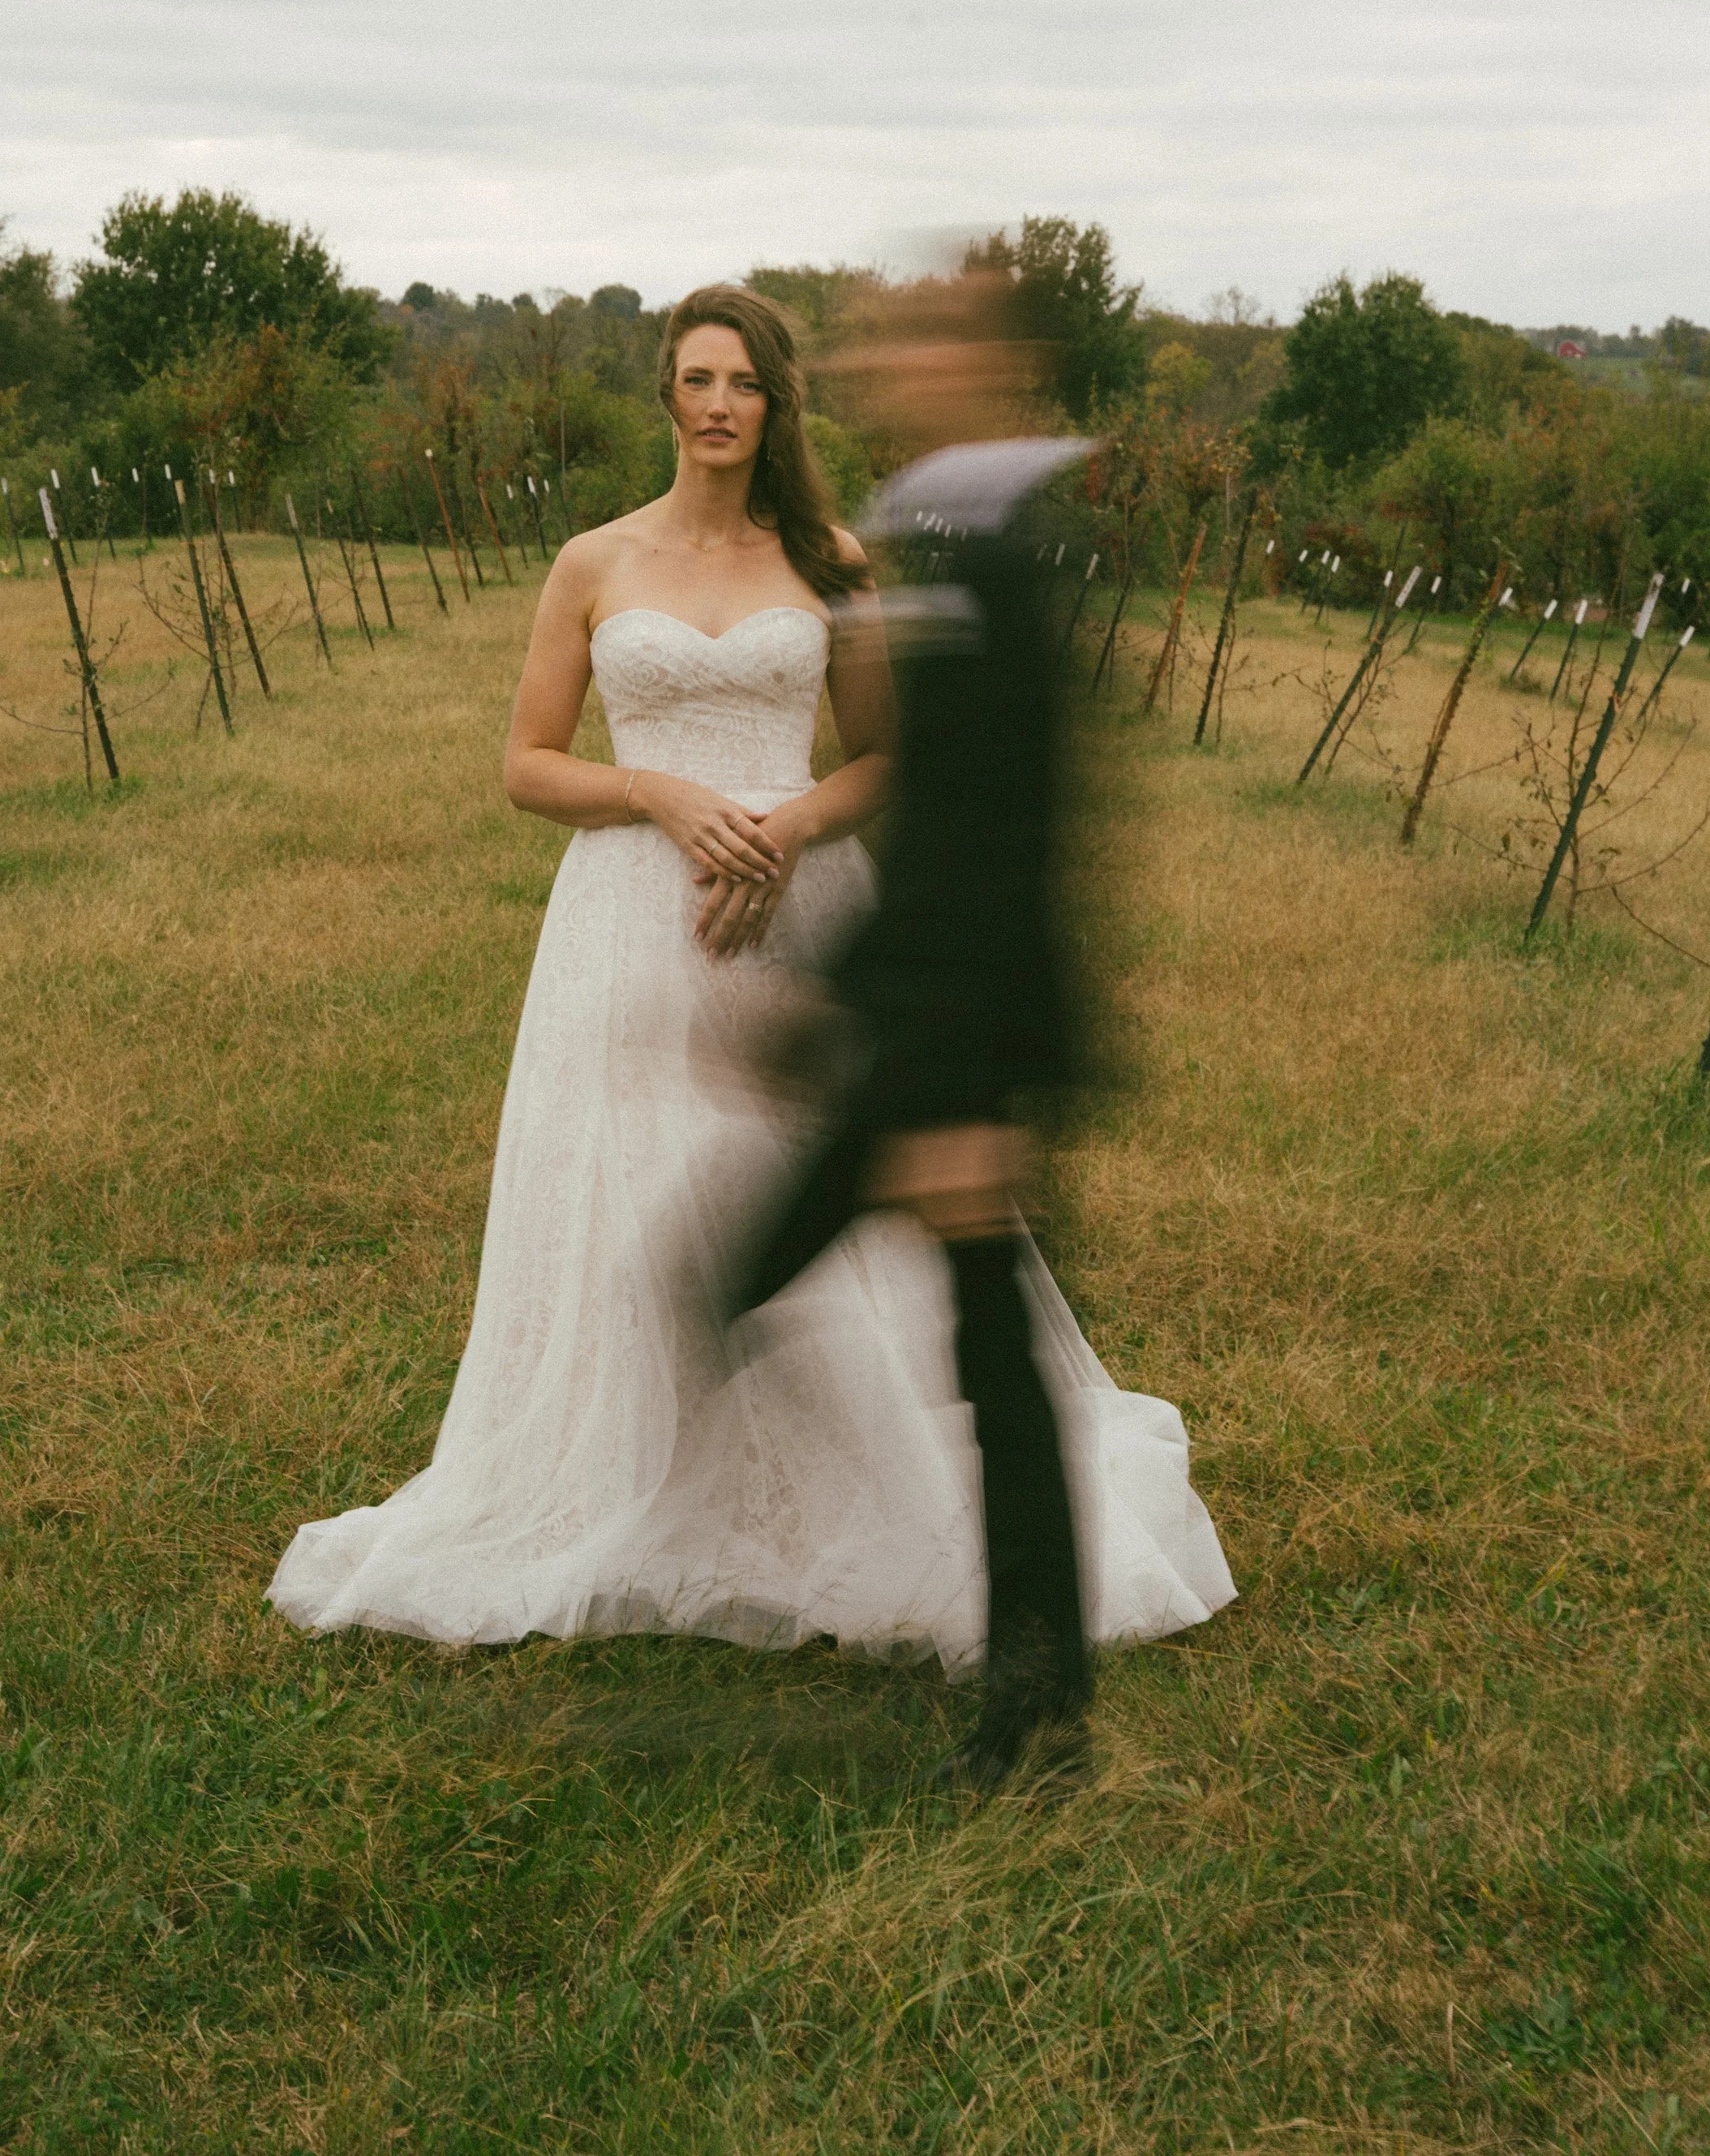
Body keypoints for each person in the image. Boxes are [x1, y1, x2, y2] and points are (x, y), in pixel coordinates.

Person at [269, 281, 1232, 1695]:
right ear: (666, 391)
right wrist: (657, 789)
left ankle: (854, 1494)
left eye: (746, 383)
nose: (719, 403)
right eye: (696, 377)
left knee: (794, 1212)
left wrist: (783, 826)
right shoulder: (592, 560)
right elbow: (527, 761)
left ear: (777, 404)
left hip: (793, 907)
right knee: (638, 1198)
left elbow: (888, 760)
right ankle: (632, 1477)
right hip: (626, 915)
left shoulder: (835, 560)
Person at [727, 270, 1215, 1785]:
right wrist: (828, 1007)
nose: (898, 356)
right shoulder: (937, 532)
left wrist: (981, 1095)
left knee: (957, 1351)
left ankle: (1036, 1704)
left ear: (998, 370)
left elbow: (1021, 845)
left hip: (964, 1045)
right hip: (913, 1021)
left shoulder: (1001, 561)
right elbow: (936, 822)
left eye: (935, 336)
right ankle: (1008, 1672)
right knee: (766, 1287)